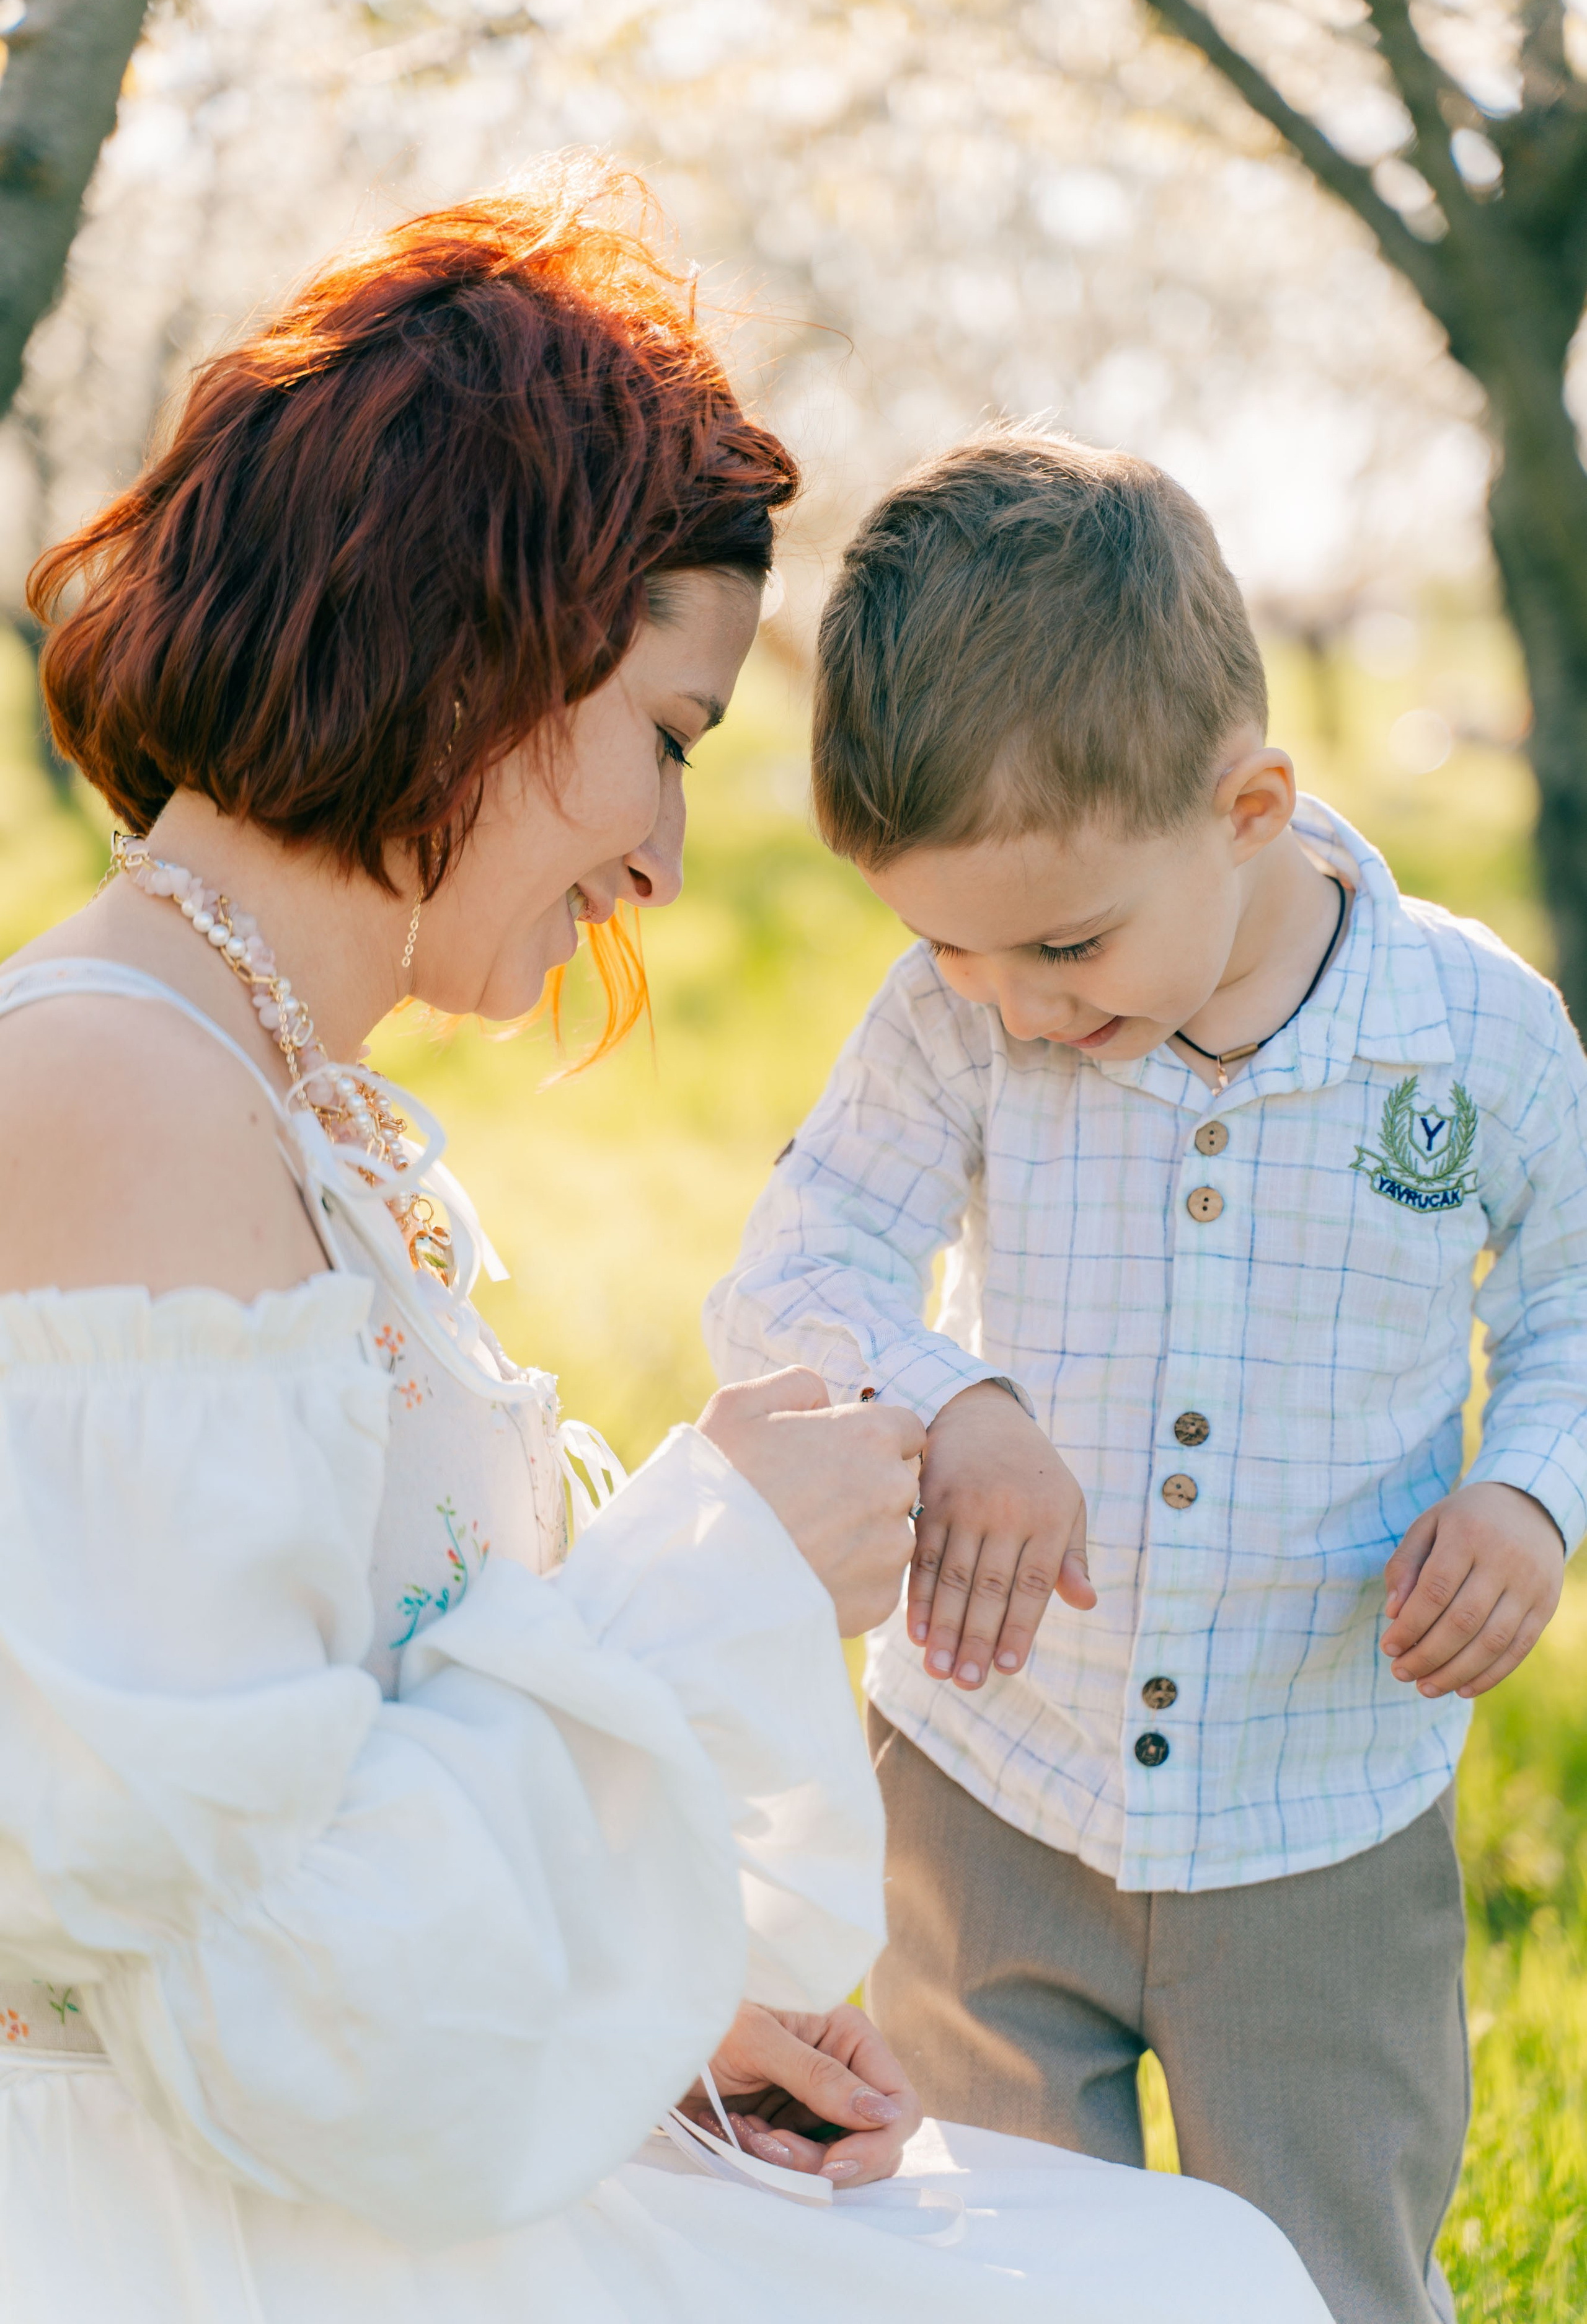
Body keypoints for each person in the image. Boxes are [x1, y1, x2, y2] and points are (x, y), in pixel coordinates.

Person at [0, 178, 1330, 2323]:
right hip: (172, 2219)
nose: (666, 860)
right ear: (478, 652)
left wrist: (652, 2026)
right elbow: (242, 1978)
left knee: (1183, 2258)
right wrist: (718, 1577)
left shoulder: (267, 1079)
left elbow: (301, 1804)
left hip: (313, 2138)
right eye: (668, 740)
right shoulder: (113, 1095)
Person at [705, 430, 1587, 2324]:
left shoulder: (1468, 1038)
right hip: (994, 1790)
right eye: (947, 941)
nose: (1014, 998)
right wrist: (957, 1401)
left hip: (1316, 1820)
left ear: (1251, 808)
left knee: (1333, 2269)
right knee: (1002, 2266)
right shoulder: (961, 1014)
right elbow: (801, 1261)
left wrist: (1534, 1491)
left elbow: (1580, 1298)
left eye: (1068, 941)